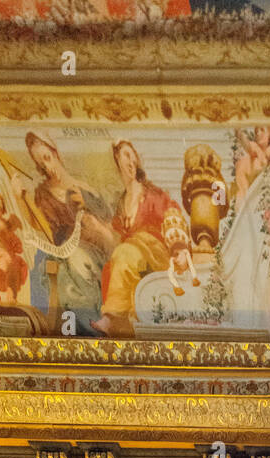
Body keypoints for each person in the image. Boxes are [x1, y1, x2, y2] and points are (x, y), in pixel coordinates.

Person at [11, 131, 115, 332]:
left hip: (94, 248)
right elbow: (36, 223)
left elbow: (107, 225)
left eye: (48, 158)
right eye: (42, 164)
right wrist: (19, 197)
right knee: (65, 264)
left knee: (82, 262)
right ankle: (82, 329)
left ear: (56, 153)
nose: (48, 167)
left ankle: (94, 325)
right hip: (65, 250)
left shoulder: (84, 187)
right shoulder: (42, 194)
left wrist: (94, 224)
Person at [92, 139, 182, 336]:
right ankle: (127, 321)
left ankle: (111, 317)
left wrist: (179, 248)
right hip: (133, 257)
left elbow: (172, 215)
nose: (132, 162)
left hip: (156, 254)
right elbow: (116, 239)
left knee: (124, 253)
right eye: (126, 157)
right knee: (116, 260)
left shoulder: (152, 195)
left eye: (134, 158)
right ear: (116, 162)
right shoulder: (120, 203)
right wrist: (99, 229)